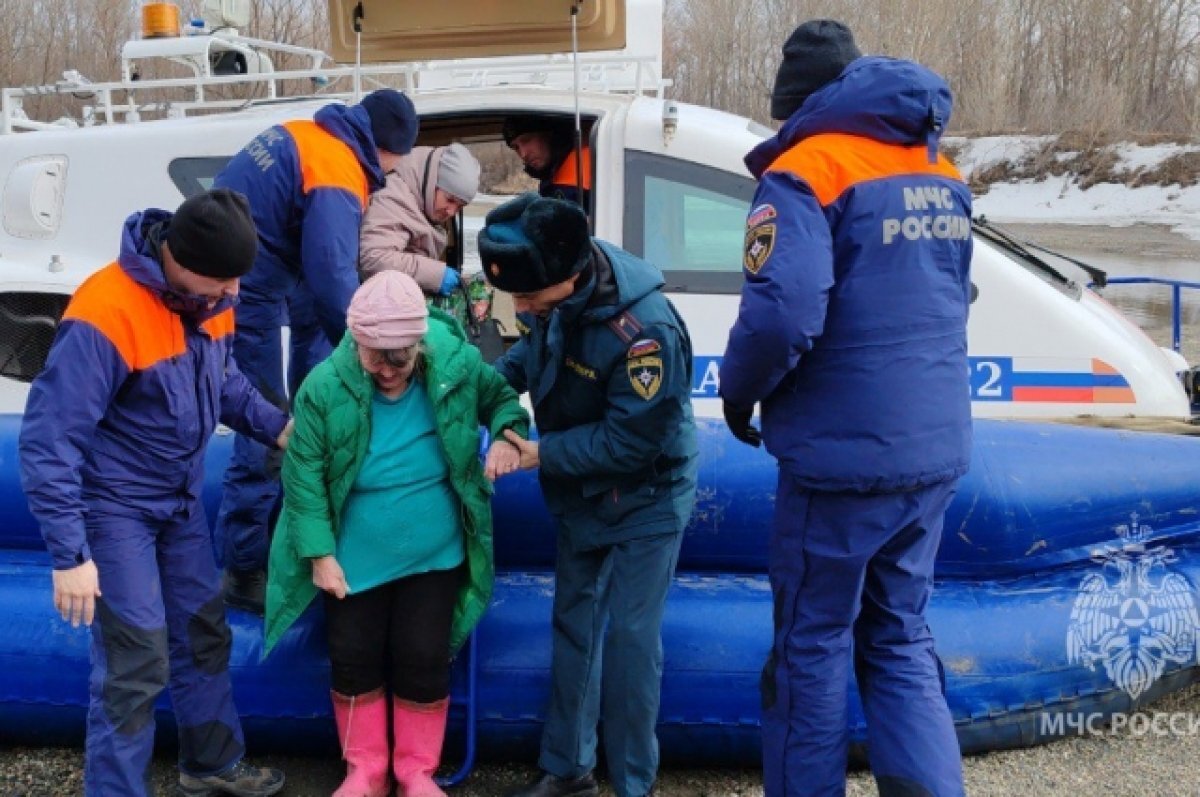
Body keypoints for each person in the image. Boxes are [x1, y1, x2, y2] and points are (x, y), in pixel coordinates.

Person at [718, 20, 973, 797]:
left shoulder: (806, 171)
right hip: (932, 451)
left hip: (841, 461)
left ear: (796, 103)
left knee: (812, 644)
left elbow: (783, 314)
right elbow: (957, 296)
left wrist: (739, 390)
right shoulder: (943, 172)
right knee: (899, 635)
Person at [18, 189, 292, 797]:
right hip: (114, 511)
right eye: (220, 282)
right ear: (177, 259)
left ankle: (211, 765)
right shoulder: (106, 311)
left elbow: (225, 383)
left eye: (237, 281)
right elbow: (48, 438)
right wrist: (70, 554)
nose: (233, 295)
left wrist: (281, 427)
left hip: (181, 501)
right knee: (134, 660)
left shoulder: (212, 296)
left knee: (203, 630)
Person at [262, 271, 529, 797]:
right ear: (357, 341)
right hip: (353, 556)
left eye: (399, 358)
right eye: (374, 356)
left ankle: (416, 770)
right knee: (353, 653)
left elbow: (503, 401)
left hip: (433, 553)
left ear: (420, 344)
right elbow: (304, 475)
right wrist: (318, 553)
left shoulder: (457, 364)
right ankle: (365, 768)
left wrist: (505, 436)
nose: (386, 370)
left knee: (423, 654)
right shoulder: (323, 385)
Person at [478, 194, 698, 797]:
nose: (520, 308)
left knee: (629, 644)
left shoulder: (644, 332)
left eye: (529, 299)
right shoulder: (552, 288)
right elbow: (531, 351)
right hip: (582, 492)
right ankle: (568, 768)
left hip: (646, 495)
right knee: (573, 624)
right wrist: (483, 388)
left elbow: (631, 446)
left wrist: (538, 454)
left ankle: (632, 784)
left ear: (569, 278)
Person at [213, 88, 419, 614]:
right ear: (388, 148)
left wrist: (327, 381)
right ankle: (243, 565)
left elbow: (319, 283)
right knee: (265, 420)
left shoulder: (312, 135)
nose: (394, 172)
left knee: (308, 389)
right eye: (398, 163)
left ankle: (292, 521)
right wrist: (372, 349)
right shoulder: (337, 169)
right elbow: (333, 280)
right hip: (242, 287)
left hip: (263, 267)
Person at [359, 142, 491, 328]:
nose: (452, 212)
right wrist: (435, 274)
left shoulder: (420, 202)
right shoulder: (395, 198)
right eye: (450, 200)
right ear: (432, 182)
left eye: (460, 206)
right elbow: (373, 258)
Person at [502, 115, 591, 206]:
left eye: (526, 140)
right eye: (516, 147)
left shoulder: (577, 175)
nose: (523, 154)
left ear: (549, 135)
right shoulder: (553, 175)